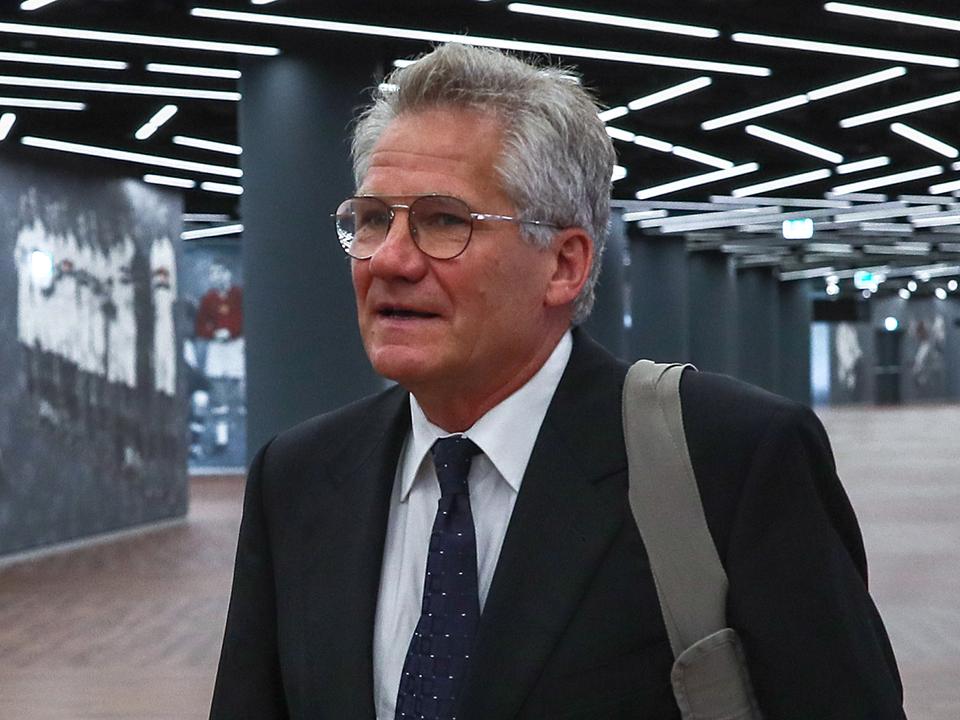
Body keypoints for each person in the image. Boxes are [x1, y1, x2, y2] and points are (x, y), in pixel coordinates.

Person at [210, 44, 905, 720]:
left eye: (443, 221)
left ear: (564, 265)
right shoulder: (298, 478)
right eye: (371, 221)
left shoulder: (731, 461)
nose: (389, 260)